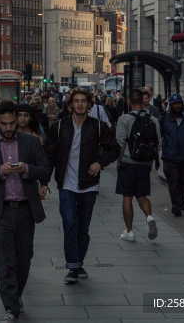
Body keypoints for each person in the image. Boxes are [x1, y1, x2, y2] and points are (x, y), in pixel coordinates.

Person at [0, 100, 52, 321]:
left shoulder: (31, 143)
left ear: (17, 120)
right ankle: (11, 306)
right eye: (4, 124)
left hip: (26, 210)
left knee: (24, 259)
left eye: (12, 123)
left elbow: (45, 169)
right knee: (5, 261)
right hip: (0, 212)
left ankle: (15, 296)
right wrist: (0, 171)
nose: (8, 128)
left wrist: (27, 169)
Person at [43, 89, 120, 284]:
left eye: (83, 101)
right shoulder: (59, 127)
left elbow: (115, 149)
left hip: (89, 185)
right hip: (66, 185)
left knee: (82, 228)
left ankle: (79, 262)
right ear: (70, 105)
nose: (79, 104)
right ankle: (72, 266)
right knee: (69, 223)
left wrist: (100, 163)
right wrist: (43, 182)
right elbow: (49, 156)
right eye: (76, 101)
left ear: (89, 105)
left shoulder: (98, 127)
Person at [115, 89, 161, 242]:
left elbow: (120, 142)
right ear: (143, 101)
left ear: (129, 101)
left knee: (127, 197)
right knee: (142, 195)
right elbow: (158, 143)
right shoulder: (153, 120)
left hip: (128, 163)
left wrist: (119, 161)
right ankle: (149, 217)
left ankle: (129, 231)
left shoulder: (124, 119)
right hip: (144, 164)